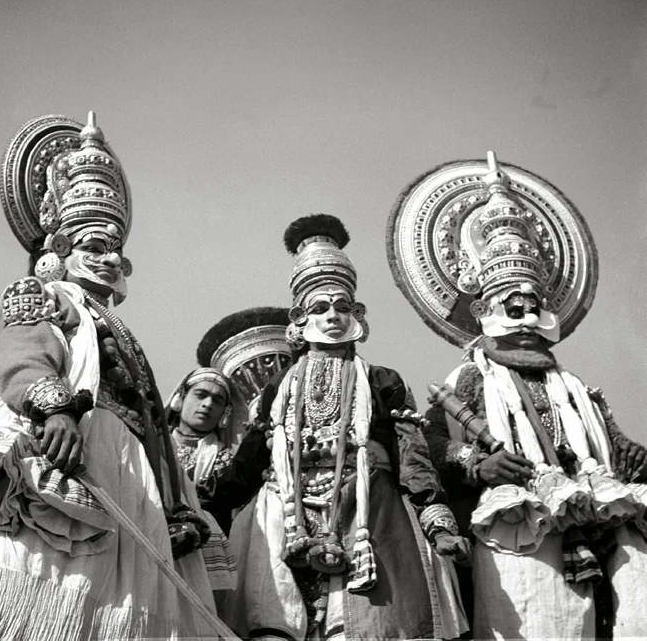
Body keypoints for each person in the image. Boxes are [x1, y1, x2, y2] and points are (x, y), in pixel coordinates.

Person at [0, 113, 216, 640]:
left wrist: (174, 498)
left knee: (118, 604)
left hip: (127, 464)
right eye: (94, 248)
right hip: (67, 435)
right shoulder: (47, 296)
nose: (111, 260)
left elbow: (150, 415)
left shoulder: (112, 322)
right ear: (59, 251)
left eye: (117, 251)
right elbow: (21, 348)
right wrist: (53, 407)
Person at [386, 153, 647, 639]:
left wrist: (629, 456)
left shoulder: (577, 389)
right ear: (485, 311)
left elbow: (617, 448)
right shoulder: (470, 379)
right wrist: (476, 463)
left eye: (534, 308)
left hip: (596, 512)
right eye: (513, 307)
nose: (526, 318)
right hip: (514, 520)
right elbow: (432, 445)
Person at [219, 214, 469, 641]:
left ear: (358, 314)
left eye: (342, 307)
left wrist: (435, 517)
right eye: (320, 308)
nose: (333, 315)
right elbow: (252, 456)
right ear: (300, 317)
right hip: (285, 506)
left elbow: (410, 449)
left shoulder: (381, 379)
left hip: (369, 504)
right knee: (275, 621)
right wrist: (204, 506)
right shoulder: (280, 384)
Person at [166, 308, 292, 595]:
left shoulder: (228, 462)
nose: (208, 404)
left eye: (218, 401)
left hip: (208, 555)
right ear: (180, 398)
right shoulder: (154, 448)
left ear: (225, 413)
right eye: (201, 395)